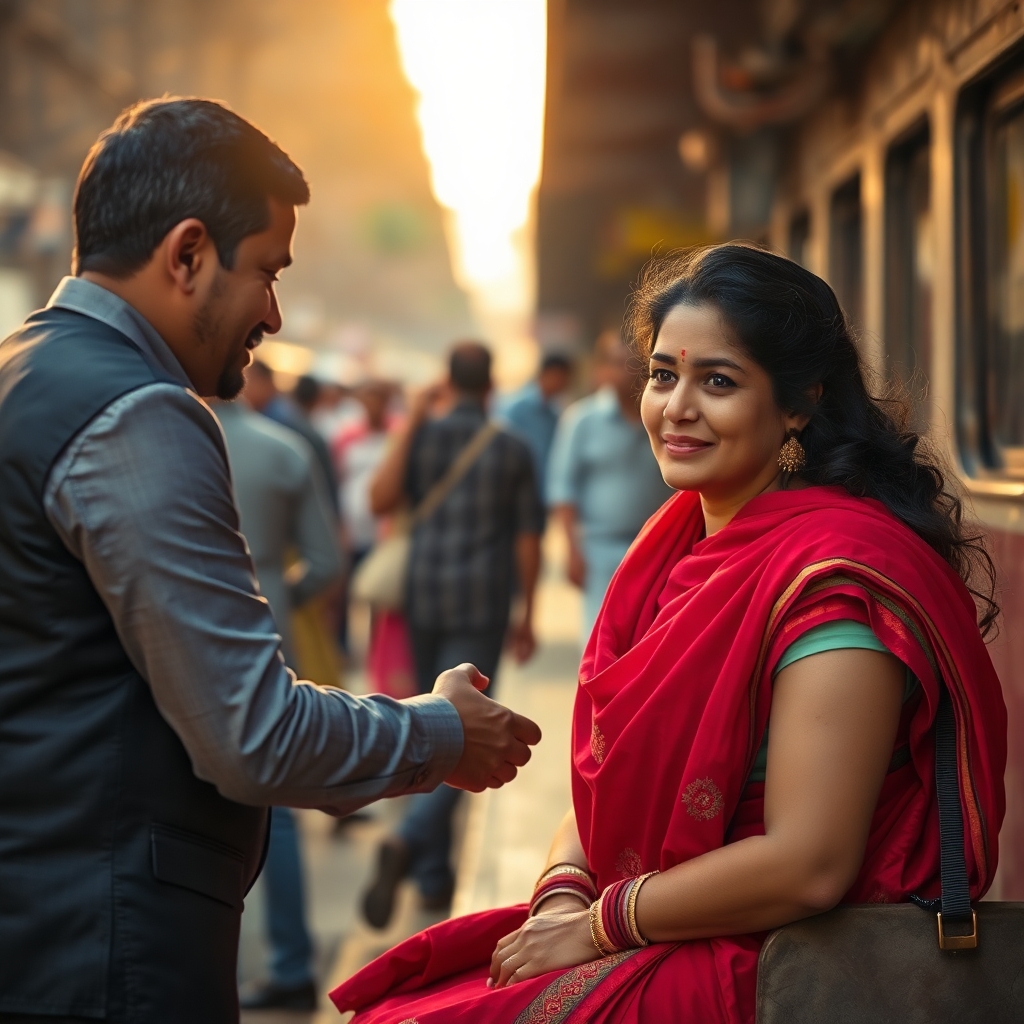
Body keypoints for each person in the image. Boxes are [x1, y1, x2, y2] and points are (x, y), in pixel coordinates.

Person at [330, 244, 1006, 1024]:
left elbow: (810, 865)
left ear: (798, 403)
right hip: (658, 919)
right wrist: (560, 897)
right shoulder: (671, 551)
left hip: (779, 959)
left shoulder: (835, 583)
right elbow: (608, 786)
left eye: (717, 381)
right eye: (662, 375)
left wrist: (596, 926)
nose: (676, 407)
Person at [0, 98, 541, 1024]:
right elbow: (254, 735)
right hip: (106, 952)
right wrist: (442, 732)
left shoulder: (23, 371)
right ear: (188, 253)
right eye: (266, 273)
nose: (274, 314)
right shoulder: (138, 415)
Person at [360, 342, 545, 927]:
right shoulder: (511, 447)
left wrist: (414, 417)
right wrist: (528, 612)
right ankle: (414, 843)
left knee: (432, 719)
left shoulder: (423, 436)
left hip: (424, 598)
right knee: (459, 730)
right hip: (481, 603)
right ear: (490, 386)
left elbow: (378, 499)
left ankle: (435, 880)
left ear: (448, 382)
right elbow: (526, 538)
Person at [214, 385, 343, 1012]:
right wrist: (282, 590)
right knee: (278, 802)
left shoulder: (161, 440)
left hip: (177, 635)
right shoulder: (283, 450)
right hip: (270, 624)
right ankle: (291, 958)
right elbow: (325, 559)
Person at [547, 329, 672, 642]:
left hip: (657, 549)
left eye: (632, 364)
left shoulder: (664, 416)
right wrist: (572, 551)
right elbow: (563, 490)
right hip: (600, 549)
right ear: (601, 369)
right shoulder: (582, 420)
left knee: (649, 638)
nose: (624, 372)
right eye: (616, 363)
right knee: (600, 638)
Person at [333, 379, 395, 654]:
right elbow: (338, 478)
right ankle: (344, 645)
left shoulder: (397, 435)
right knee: (346, 588)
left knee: (377, 590)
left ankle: (375, 648)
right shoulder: (347, 437)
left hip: (383, 529)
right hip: (352, 525)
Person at [245, 360, 339, 514]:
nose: (243, 390)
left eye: (249, 380)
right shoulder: (274, 415)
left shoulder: (280, 423)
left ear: (265, 382)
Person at [496, 352, 572, 507]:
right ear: (549, 374)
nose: (565, 383)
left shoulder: (553, 414)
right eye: (563, 377)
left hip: (539, 495)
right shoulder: (516, 407)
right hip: (514, 494)